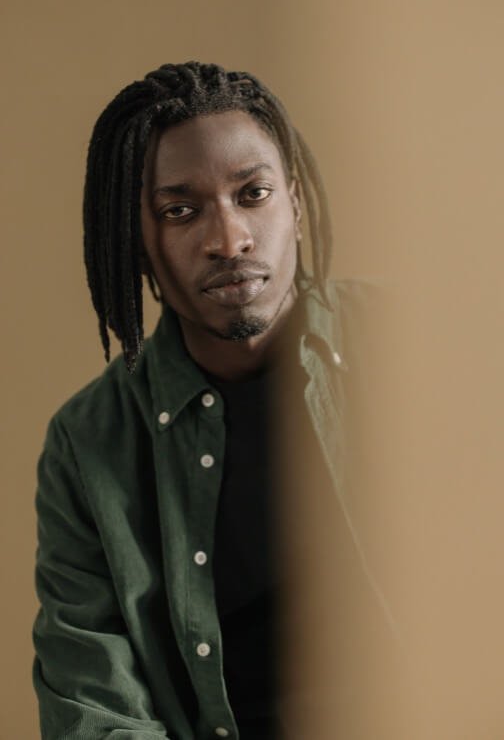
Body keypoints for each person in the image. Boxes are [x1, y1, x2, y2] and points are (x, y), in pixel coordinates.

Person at [33, 61, 383, 740]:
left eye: (254, 193)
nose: (229, 239)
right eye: (180, 211)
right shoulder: (89, 442)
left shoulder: (419, 346)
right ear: (138, 241)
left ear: (295, 204)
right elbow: (93, 705)